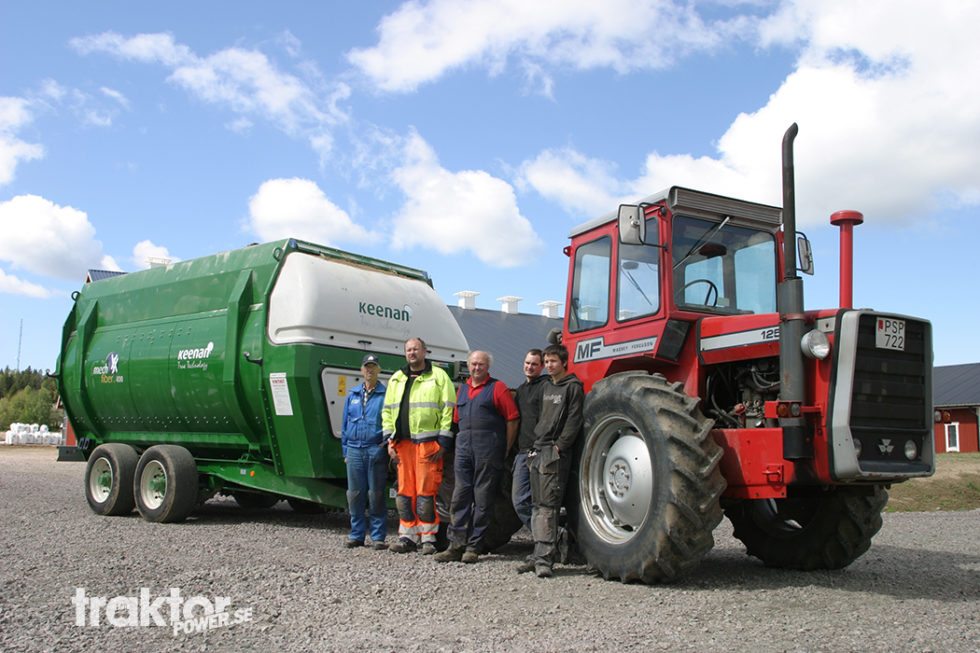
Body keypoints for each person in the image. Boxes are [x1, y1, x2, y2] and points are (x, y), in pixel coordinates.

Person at [435, 351, 518, 563]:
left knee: (483, 499)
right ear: (468, 366)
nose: (476, 368)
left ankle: (474, 546)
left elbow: (512, 419)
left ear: (487, 366)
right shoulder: (462, 390)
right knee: (460, 497)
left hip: (488, 449)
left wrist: (506, 447)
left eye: (481, 364)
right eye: (473, 364)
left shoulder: (498, 388)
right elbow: (456, 420)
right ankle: (455, 545)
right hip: (464, 449)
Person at [382, 337, 456, 555]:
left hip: (428, 445)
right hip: (402, 445)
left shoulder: (438, 376)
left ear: (425, 351)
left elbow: (449, 410)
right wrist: (389, 441)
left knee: (426, 494)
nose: (412, 353)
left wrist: (443, 442)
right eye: (408, 350)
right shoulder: (397, 378)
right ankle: (407, 537)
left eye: (416, 349)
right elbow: (387, 411)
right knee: (404, 494)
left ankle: (428, 539)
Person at [517, 344, 584, 578]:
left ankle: (545, 560)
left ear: (564, 362)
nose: (549, 365)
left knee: (548, 506)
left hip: (555, 453)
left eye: (553, 361)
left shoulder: (572, 387)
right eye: (546, 361)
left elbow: (574, 420)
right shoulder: (546, 386)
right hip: (538, 449)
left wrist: (559, 447)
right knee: (536, 506)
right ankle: (538, 554)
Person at [341, 354, 389, 550]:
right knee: (354, 494)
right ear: (361, 370)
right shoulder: (352, 395)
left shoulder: (385, 396)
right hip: (354, 450)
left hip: (375, 449)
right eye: (367, 367)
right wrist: (345, 451)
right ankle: (356, 535)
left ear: (379, 370)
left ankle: (378, 537)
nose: (370, 370)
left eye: (373, 367)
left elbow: (390, 422)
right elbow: (345, 424)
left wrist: (384, 445)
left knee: (376, 494)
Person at [511, 349, 546, 531]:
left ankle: (547, 538)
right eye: (527, 363)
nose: (529, 367)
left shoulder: (546, 387)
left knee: (543, 502)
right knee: (519, 501)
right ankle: (549, 535)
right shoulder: (521, 390)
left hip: (540, 451)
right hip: (523, 452)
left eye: (534, 364)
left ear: (542, 366)